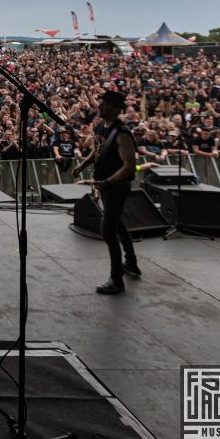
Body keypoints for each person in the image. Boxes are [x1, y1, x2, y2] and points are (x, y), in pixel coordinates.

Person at [73, 90, 139, 295]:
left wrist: (107, 181)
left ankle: (117, 279)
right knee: (117, 225)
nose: (100, 106)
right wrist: (82, 165)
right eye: (100, 103)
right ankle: (132, 264)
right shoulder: (102, 127)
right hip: (106, 185)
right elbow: (98, 149)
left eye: (105, 104)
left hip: (116, 187)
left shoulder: (122, 134)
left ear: (116, 108)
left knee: (108, 230)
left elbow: (129, 166)